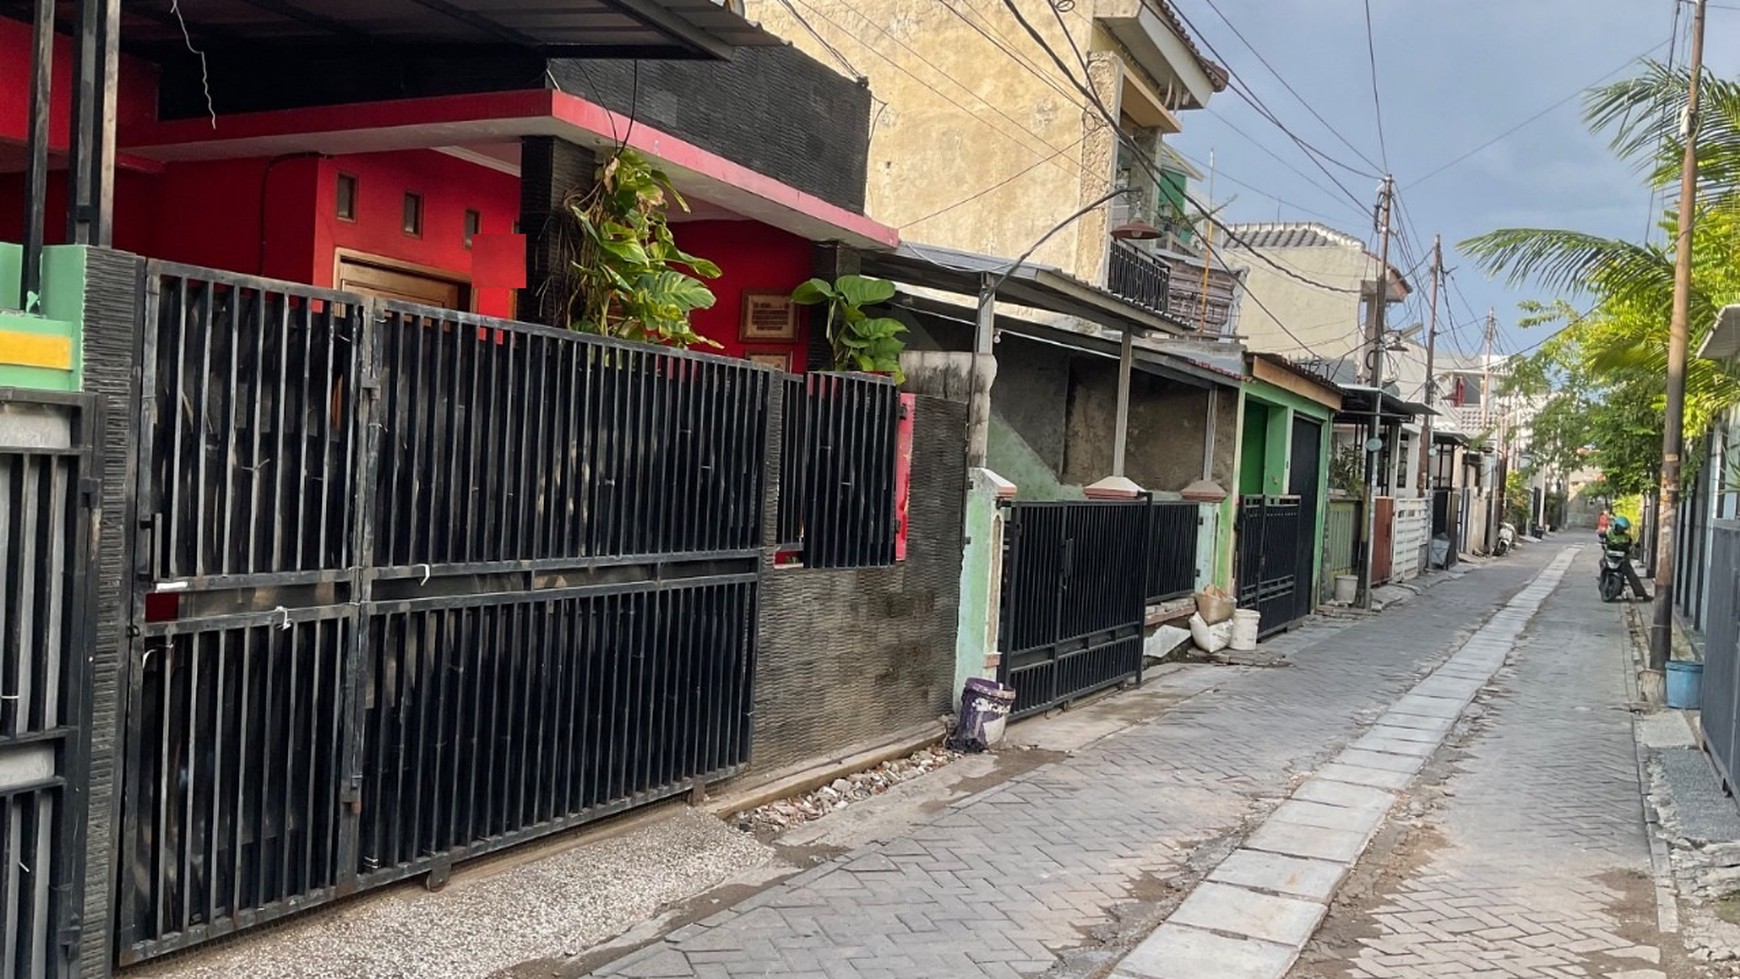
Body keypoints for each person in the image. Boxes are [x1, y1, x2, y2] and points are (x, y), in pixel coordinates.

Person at [1604, 516, 1651, 600]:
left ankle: (1642, 594)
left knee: (1632, 576)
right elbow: (1604, 540)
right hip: (1610, 555)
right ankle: (1602, 580)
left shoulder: (1627, 537)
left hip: (1622, 559)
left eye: (1623, 529)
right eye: (1620, 528)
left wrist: (1635, 546)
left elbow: (1631, 545)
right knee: (1602, 563)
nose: (1621, 530)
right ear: (1615, 526)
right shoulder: (1609, 533)